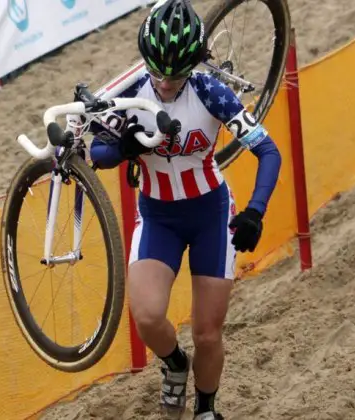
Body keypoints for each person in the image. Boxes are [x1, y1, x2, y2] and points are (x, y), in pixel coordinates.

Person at [87, 1, 281, 418]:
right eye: (156, 72)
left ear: (193, 64)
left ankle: (206, 409)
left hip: (211, 214)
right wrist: (123, 147)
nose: (165, 82)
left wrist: (255, 211)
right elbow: (95, 153)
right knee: (147, 316)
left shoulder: (211, 91)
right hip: (158, 216)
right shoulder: (129, 93)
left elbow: (268, 151)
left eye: (176, 74)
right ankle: (175, 364)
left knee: (208, 334)